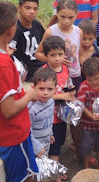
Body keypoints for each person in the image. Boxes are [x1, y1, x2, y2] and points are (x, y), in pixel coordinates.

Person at [0, 1, 38, 182]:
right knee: (24, 177)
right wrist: (30, 94)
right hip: (12, 136)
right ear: (11, 30)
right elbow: (8, 110)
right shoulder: (4, 64)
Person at [41, 35, 75, 182]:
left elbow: (66, 86)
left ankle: (53, 168)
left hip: (60, 116)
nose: (57, 58)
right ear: (45, 56)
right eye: (52, 55)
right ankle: (55, 175)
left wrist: (70, 91)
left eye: (60, 54)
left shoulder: (65, 69)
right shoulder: (43, 72)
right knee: (53, 148)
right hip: (48, 118)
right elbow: (42, 95)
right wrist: (63, 96)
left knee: (59, 143)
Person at [36, 0, 84, 91]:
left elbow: (80, 55)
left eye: (71, 17)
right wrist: (56, 60)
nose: (66, 21)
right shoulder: (51, 32)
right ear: (56, 14)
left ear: (76, 15)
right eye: (62, 17)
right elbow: (38, 54)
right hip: (56, 76)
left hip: (75, 75)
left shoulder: (78, 32)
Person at [9, 0, 45, 81]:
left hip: (42, 65)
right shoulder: (15, 28)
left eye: (35, 9)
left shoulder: (37, 24)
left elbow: (46, 42)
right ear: (19, 8)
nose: (32, 12)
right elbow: (9, 51)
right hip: (26, 70)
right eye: (28, 8)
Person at [28, 67, 56, 157]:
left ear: (56, 89)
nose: (45, 93)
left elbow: (49, 119)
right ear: (34, 87)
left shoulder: (51, 102)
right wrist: (36, 147)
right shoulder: (32, 108)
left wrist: (50, 133)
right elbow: (26, 131)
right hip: (33, 148)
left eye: (50, 89)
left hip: (45, 144)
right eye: (41, 88)